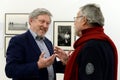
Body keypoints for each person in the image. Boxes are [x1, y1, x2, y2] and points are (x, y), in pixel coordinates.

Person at [54, 3, 118, 80]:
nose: (74, 23)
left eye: (76, 18)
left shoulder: (91, 47)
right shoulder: (104, 42)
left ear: (84, 20)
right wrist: (69, 61)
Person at [5, 8, 65, 80]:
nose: (45, 26)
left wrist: (64, 62)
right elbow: (10, 70)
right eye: (42, 21)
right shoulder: (18, 41)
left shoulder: (48, 42)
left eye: (48, 23)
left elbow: (51, 67)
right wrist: (38, 65)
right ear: (31, 21)